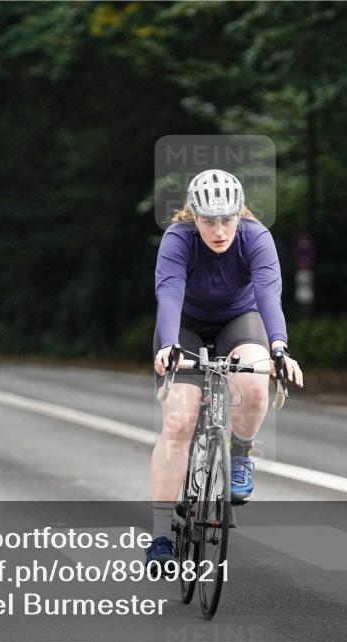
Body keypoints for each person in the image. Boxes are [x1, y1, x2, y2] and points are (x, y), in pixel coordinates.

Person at [147, 169, 304, 569]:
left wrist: (280, 348)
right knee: (179, 422)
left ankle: (239, 454)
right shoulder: (177, 238)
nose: (218, 230)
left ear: (240, 214)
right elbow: (168, 292)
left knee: (254, 385)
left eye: (227, 219)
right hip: (185, 325)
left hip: (240, 319)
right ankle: (162, 536)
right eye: (208, 221)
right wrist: (169, 345)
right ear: (193, 216)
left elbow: (269, 295)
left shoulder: (256, 237)